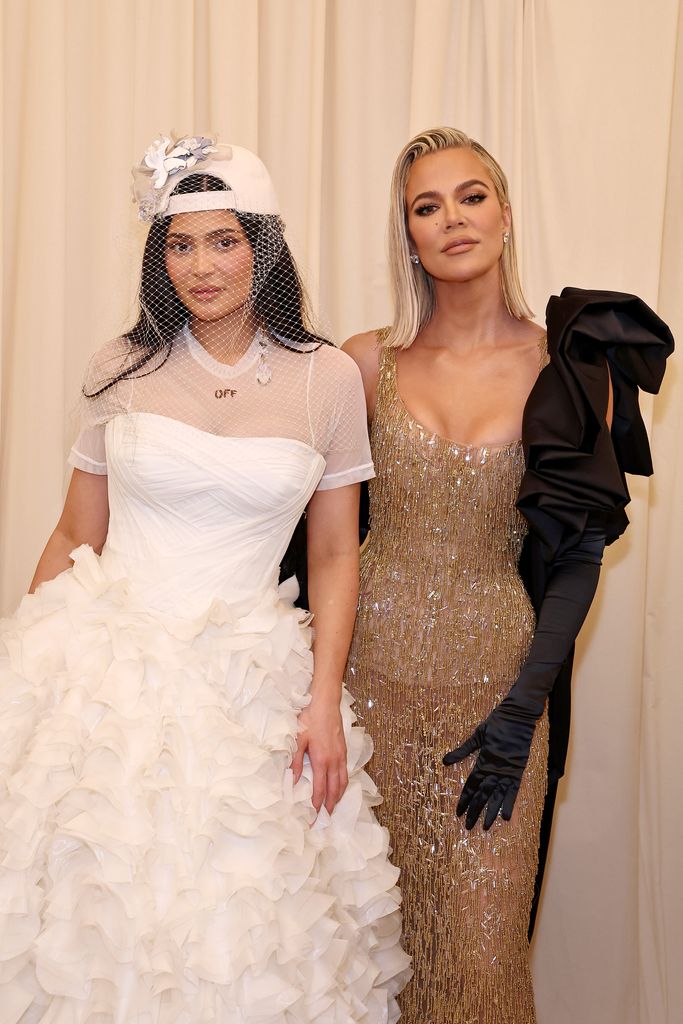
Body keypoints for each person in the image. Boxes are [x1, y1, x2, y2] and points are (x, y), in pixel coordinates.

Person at [0, 135, 410, 1021]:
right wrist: (21, 679)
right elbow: (75, 530)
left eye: (223, 240)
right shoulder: (121, 367)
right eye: (179, 245)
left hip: (248, 684)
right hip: (108, 673)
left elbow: (337, 553)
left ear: (263, 245)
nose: (201, 266)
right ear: (159, 258)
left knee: (244, 920)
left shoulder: (328, 379)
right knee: (87, 909)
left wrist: (323, 699)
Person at [343, 126, 673, 1024]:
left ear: (505, 213)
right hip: (359, 699)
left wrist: (525, 707)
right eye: (425, 205)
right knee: (360, 955)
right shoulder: (363, 363)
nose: (451, 218)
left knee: (483, 963)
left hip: (495, 702)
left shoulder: (571, 367)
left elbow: (576, 557)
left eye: (470, 195)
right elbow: (315, 542)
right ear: (406, 235)